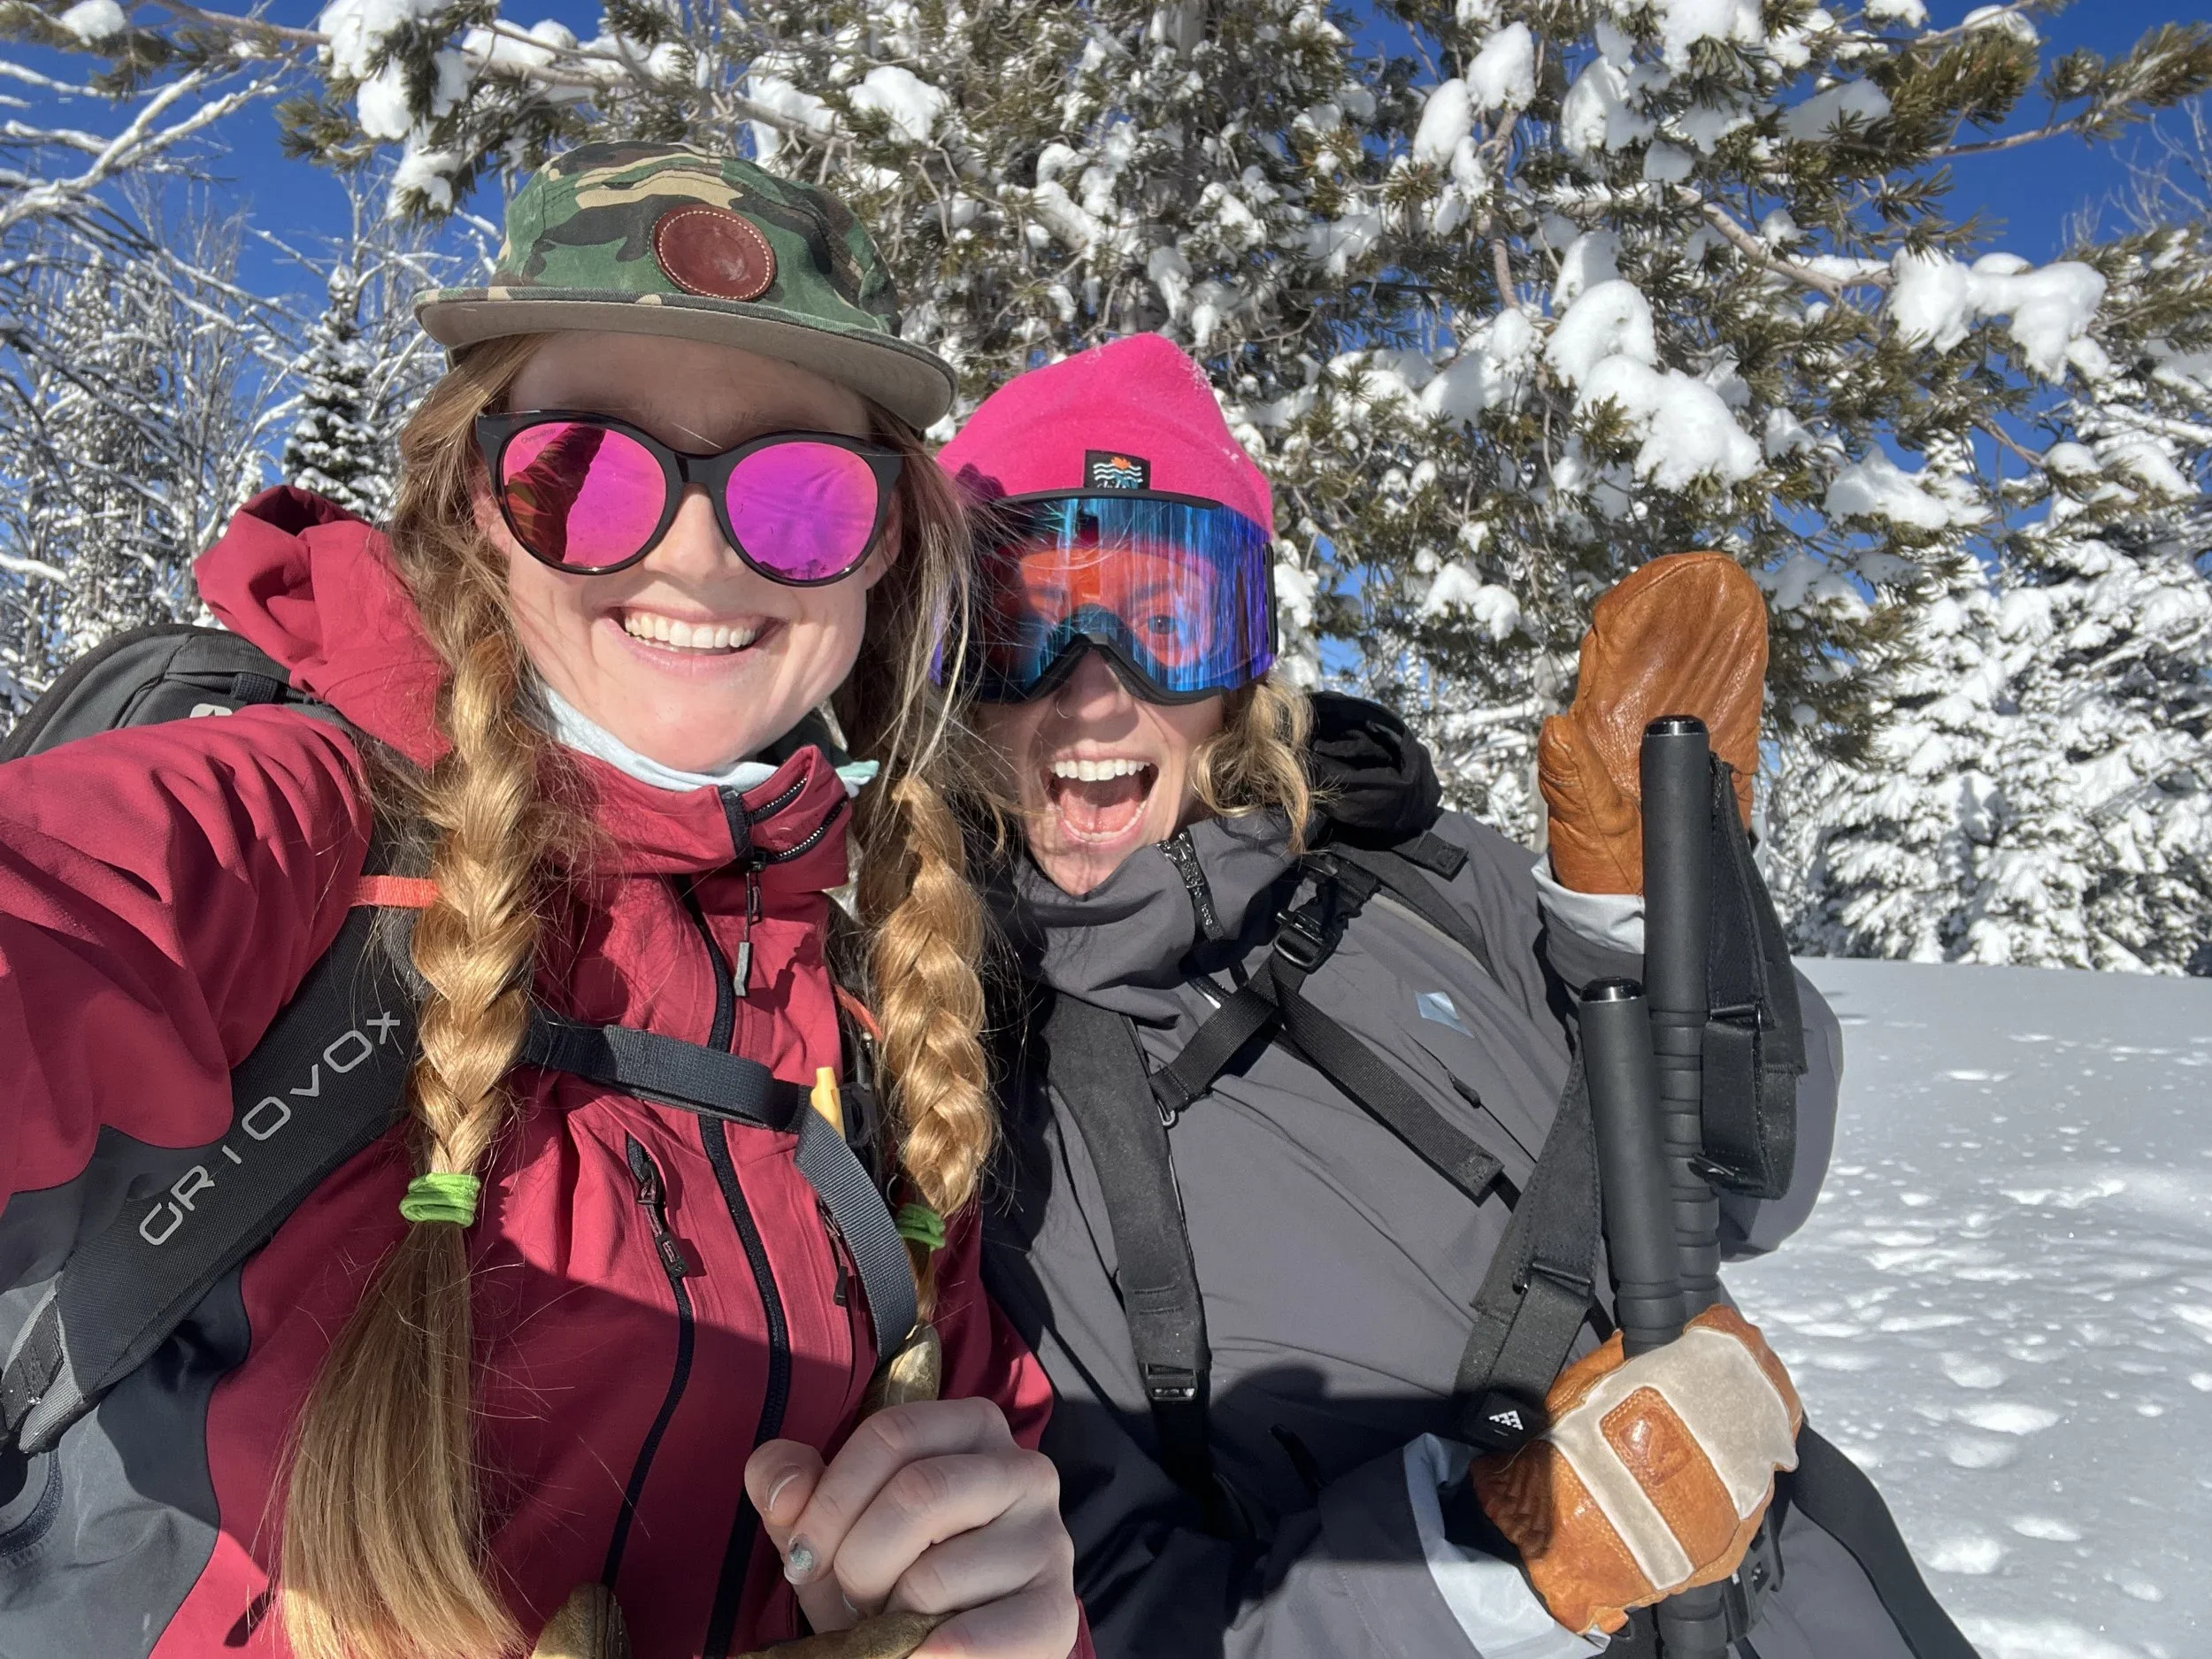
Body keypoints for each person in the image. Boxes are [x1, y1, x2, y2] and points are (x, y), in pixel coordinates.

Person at [0, 144, 1080, 1659]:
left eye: (801, 491)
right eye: (584, 473)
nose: (697, 552)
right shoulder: (295, 828)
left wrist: (1004, 1617)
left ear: (886, 542)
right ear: (475, 500)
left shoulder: (886, 1009)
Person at [947, 334, 1966, 1659]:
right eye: (1022, 618)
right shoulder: (973, 1102)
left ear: (1240, 664)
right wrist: (1503, 1555)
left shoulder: (1416, 878)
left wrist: (1661, 916)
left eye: (1166, 613)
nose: (1093, 688)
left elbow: (1746, 1184)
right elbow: (1121, 1618)